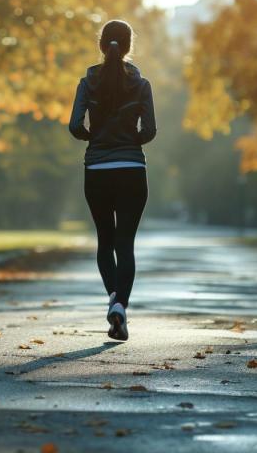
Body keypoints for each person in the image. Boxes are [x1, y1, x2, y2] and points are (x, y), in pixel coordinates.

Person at [68, 19, 156, 341]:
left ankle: (113, 301)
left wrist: (97, 138)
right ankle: (120, 305)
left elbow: (75, 125)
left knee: (105, 241)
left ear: (102, 46)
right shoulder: (142, 84)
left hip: (98, 170)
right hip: (132, 169)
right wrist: (128, 141)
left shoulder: (87, 82)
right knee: (125, 244)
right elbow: (149, 131)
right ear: (128, 46)